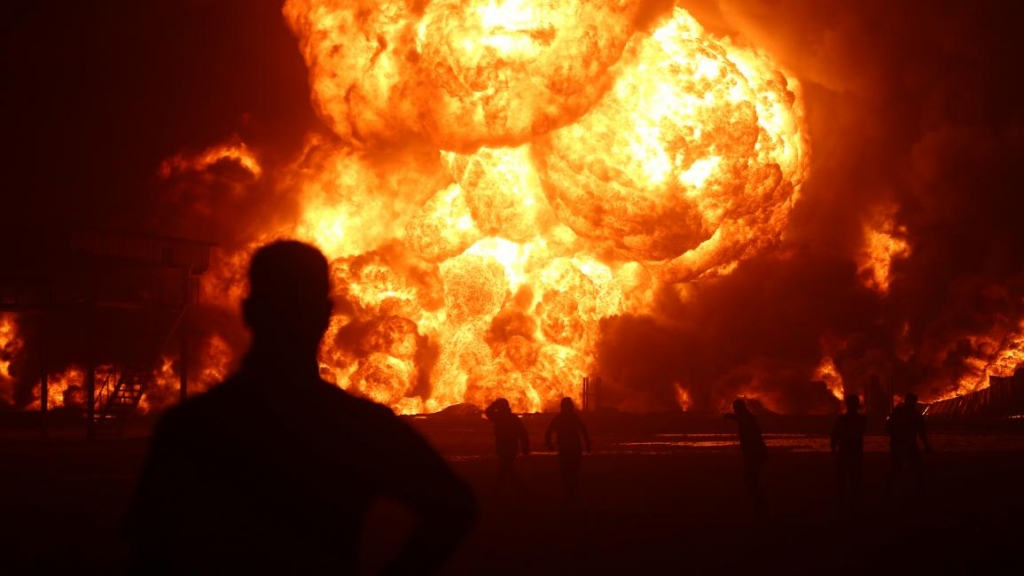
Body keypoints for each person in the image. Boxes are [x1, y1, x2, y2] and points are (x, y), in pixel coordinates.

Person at [122, 240, 476, 575]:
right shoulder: (356, 426)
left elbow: (147, 543)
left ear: (250, 312)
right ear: (325, 315)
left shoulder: (192, 427)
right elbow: (453, 506)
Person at [724, 398, 768, 518]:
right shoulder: (747, 419)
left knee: (751, 479)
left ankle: (760, 506)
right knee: (752, 479)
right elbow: (741, 419)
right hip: (754, 453)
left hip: (754, 454)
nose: (735, 410)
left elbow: (753, 437)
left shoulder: (748, 420)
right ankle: (759, 505)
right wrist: (730, 416)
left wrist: (730, 416)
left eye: (736, 408)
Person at [883, 392, 932, 497]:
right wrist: (926, 445)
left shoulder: (897, 413)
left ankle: (888, 490)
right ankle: (920, 491)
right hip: (909, 445)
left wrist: (895, 435)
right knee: (916, 468)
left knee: (896, 468)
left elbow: (887, 428)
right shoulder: (915, 415)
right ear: (914, 402)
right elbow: (922, 432)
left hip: (897, 444)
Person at [544, 397, 591, 505]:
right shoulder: (573, 417)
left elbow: (549, 431)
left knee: (566, 472)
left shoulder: (559, 418)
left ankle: (569, 494)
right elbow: (583, 430)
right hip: (574, 448)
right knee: (573, 472)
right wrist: (587, 444)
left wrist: (549, 444)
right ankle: (572, 494)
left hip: (566, 449)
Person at [484, 397, 530, 498]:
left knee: (504, 468)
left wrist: (493, 404)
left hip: (505, 447)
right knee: (508, 469)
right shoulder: (512, 418)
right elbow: (523, 434)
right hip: (510, 447)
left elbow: (488, 412)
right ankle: (521, 491)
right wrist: (525, 448)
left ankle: (498, 491)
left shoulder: (499, 418)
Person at [831, 394, 866, 515]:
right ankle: (853, 503)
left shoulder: (842, 419)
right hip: (854, 451)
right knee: (854, 478)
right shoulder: (861, 419)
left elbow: (834, 435)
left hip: (845, 450)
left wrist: (833, 448)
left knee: (842, 478)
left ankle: (841, 503)